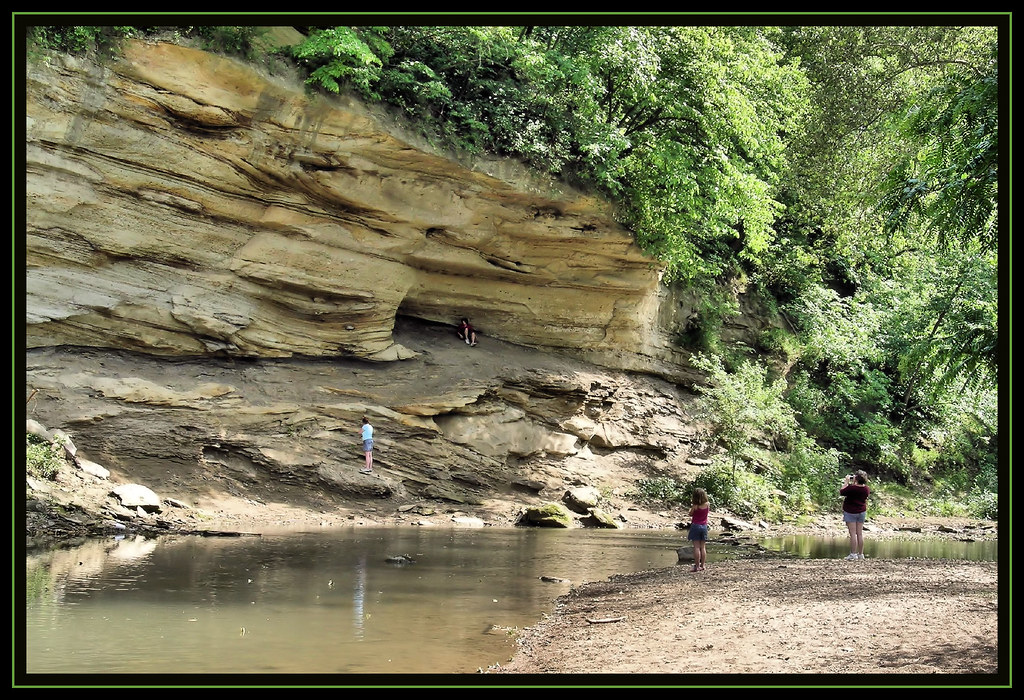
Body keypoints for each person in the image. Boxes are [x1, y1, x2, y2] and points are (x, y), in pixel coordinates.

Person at [840, 470, 870, 559]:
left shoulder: (852, 488)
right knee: (859, 534)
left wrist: (846, 482)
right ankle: (861, 554)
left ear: (856, 478)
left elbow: (842, 491)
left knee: (853, 534)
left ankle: (853, 554)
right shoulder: (866, 489)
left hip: (851, 512)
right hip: (861, 512)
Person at [687, 488, 710, 572]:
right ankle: (703, 565)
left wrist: (692, 508)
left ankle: (697, 566)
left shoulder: (695, 506)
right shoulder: (707, 504)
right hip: (704, 526)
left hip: (695, 526)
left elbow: (690, 513)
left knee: (696, 547)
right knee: (703, 547)